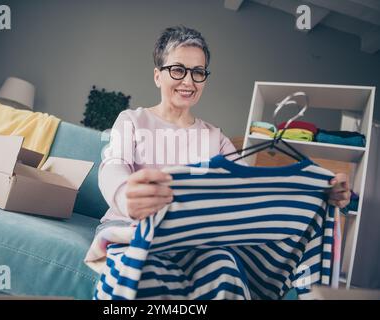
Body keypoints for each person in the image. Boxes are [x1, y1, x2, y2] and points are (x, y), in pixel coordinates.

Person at [97, 25, 350, 230]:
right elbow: (113, 166)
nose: (188, 81)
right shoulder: (131, 120)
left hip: (184, 238)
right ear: (157, 76)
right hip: (126, 226)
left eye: (198, 72)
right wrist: (125, 196)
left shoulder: (215, 138)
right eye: (177, 70)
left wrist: (319, 192)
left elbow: (248, 188)